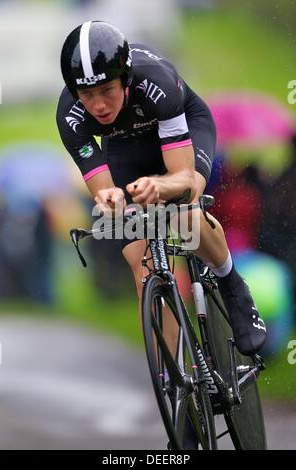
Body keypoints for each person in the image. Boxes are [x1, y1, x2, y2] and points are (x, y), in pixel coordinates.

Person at [57, 21, 266, 360]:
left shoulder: (157, 83)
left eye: (107, 90)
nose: (97, 105)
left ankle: (231, 282)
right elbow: (104, 189)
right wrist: (111, 199)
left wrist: (160, 186)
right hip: (124, 148)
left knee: (186, 214)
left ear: (125, 79)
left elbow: (181, 176)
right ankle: (174, 372)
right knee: (142, 266)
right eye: (87, 94)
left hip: (183, 131)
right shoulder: (70, 116)